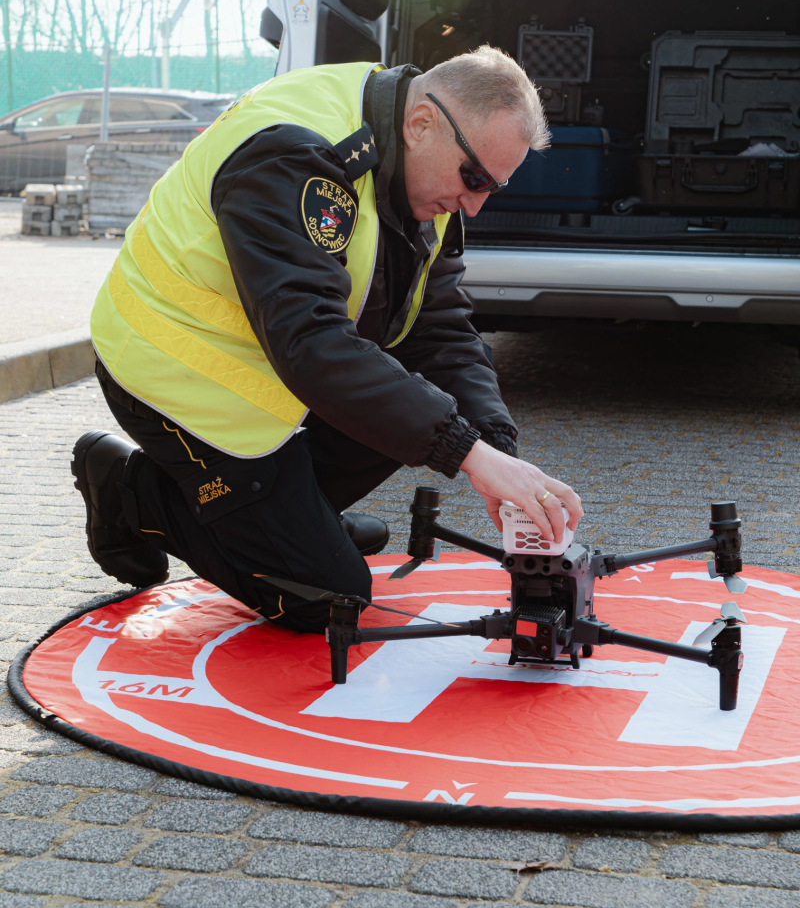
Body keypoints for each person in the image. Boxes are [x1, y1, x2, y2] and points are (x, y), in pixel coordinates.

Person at [73, 46, 583, 632]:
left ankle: (288, 518)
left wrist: (497, 450)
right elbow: (310, 343)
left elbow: (437, 329)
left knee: (416, 413)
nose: (475, 203)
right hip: (173, 370)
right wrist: (467, 453)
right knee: (327, 597)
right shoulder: (292, 153)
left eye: (493, 187)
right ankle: (129, 491)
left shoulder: (425, 164)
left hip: (268, 371)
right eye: (474, 179)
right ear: (421, 124)